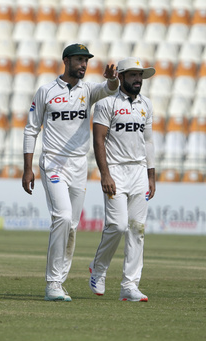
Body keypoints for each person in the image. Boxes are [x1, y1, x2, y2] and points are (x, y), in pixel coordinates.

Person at [22, 43, 119, 301]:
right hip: (53, 162)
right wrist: (27, 168)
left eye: (86, 61)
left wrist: (112, 81)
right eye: (79, 60)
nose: (83, 65)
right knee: (63, 217)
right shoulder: (46, 91)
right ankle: (52, 283)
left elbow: (108, 89)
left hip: (79, 165)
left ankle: (60, 282)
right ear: (66, 60)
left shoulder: (88, 90)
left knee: (72, 227)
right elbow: (31, 129)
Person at [88, 57, 156, 302]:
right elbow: (98, 140)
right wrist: (104, 174)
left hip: (139, 171)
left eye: (141, 76)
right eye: (133, 75)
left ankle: (129, 285)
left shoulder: (146, 104)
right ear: (122, 77)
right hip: (115, 170)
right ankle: (98, 269)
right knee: (117, 225)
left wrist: (151, 175)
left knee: (137, 229)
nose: (138, 80)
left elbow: (148, 142)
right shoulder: (106, 104)